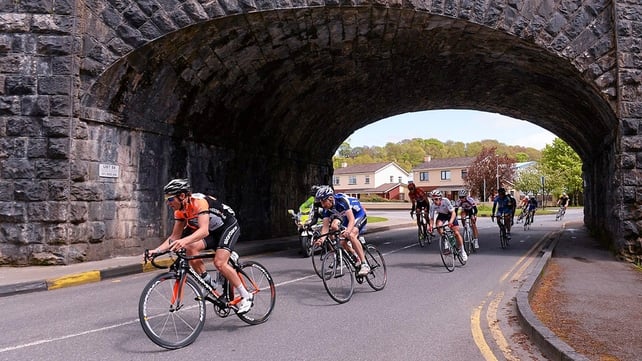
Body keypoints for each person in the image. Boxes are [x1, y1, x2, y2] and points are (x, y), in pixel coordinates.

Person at [149, 179, 253, 314]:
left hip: (227, 227)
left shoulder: (199, 202)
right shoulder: (179, 212)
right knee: (190, 248)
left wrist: (184, 240)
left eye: (170, 199)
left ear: (181, 196)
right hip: (213, 232)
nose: (168, 203)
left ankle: (246, 296)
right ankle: (209, 283)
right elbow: (173, 238)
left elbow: (203, 231)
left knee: (219, 263)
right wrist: (156, 251)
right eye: (166, 200)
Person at [313, 185, 371, 276]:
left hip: (358, 215)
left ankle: (365, 264)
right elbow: (325, 227)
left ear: (331, 198)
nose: (322, 204)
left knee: (351, 235)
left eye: (324, 201)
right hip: (345, 217)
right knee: (342, 242)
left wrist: (348, 231)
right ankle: (356, 257)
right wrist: (321, 239)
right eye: (321, 202)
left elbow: (351, 219)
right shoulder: (326, 209)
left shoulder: (342, 201)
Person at [428, 190, 467, 261]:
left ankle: (463, 251)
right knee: (438, 226)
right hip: (442, 215)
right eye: (433, 199)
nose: (435, 201)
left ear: (440, 198)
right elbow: (431, 218)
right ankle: (445, 239)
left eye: (436, 199)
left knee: (456, 233)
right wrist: (430, 226)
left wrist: (451, 222)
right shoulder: (432, 205)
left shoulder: (445, 201)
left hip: (450, 214)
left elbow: (453, 213)